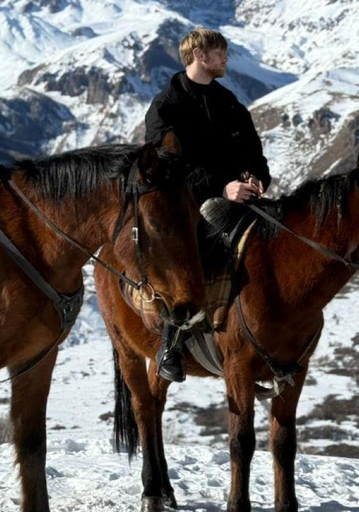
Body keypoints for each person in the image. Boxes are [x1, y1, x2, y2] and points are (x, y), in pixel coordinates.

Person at [145, 28, 272, 382]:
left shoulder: (229, 104)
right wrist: (220, 188)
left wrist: (257, 178)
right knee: (190, 252)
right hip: (185, 204)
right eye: (220, 53)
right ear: (200, 55)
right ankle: (172, 341)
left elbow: (254, 154)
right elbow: (165, 168)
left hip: (241, 198)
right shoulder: (166, 106)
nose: (226, 58)